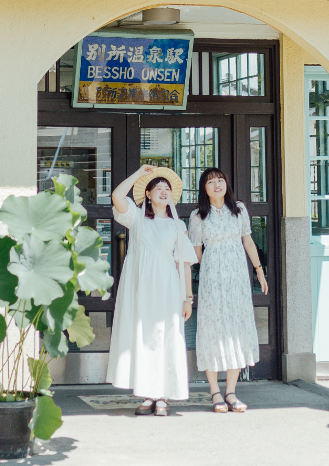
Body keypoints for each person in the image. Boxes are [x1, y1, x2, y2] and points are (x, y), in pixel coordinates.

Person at [106, 164, 198, 416]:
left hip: (168, 287)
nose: (163, 191)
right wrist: (138, 174)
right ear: (147, 194)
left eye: (166, 188)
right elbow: (116, 196)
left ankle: (164, 396)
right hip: (140, 287)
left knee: (167, 336)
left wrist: (188, 298)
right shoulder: (135, 218)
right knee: (145, 337)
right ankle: (149, 393)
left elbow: (184, 264)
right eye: (157, 187)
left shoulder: (177, 226)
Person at [187, 167, 267, 413]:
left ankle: (231, 392)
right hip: (213, 281)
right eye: (211, 182)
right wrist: (211, 271)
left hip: (239, 281)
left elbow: (248, 241)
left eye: (220, 180)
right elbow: (196, 252)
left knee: (236, 328)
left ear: (226, 184)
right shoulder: (198, 216)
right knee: (213, 329)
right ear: (204, 188)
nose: (217, 184)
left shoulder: (239, 209)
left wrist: (259, 271)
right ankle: (215, 392)